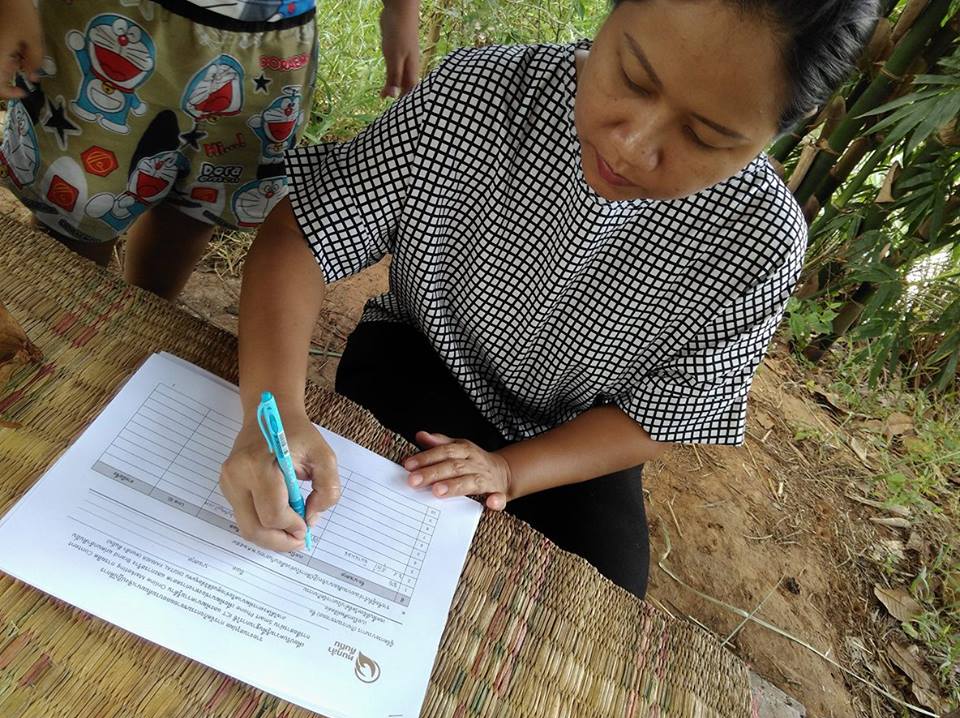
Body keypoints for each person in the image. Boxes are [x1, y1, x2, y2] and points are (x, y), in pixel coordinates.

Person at [220, 0, 879, 599]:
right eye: (633, 77)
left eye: (705, 137)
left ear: (776, 134)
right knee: (352, 533)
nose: (630, 145)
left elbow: (663, 413)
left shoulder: (759, 240)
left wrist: (510, 471)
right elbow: (302, 235)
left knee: (600, 593)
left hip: (578, 429)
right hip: (423, 354)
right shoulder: (479, 94)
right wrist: (270, 413)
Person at [0, 0, 420, 300]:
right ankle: (55, 317)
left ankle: (144, 318)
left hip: (271, 43)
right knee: (74, 210)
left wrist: (401, 10)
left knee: (197, 203)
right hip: (115, 26)